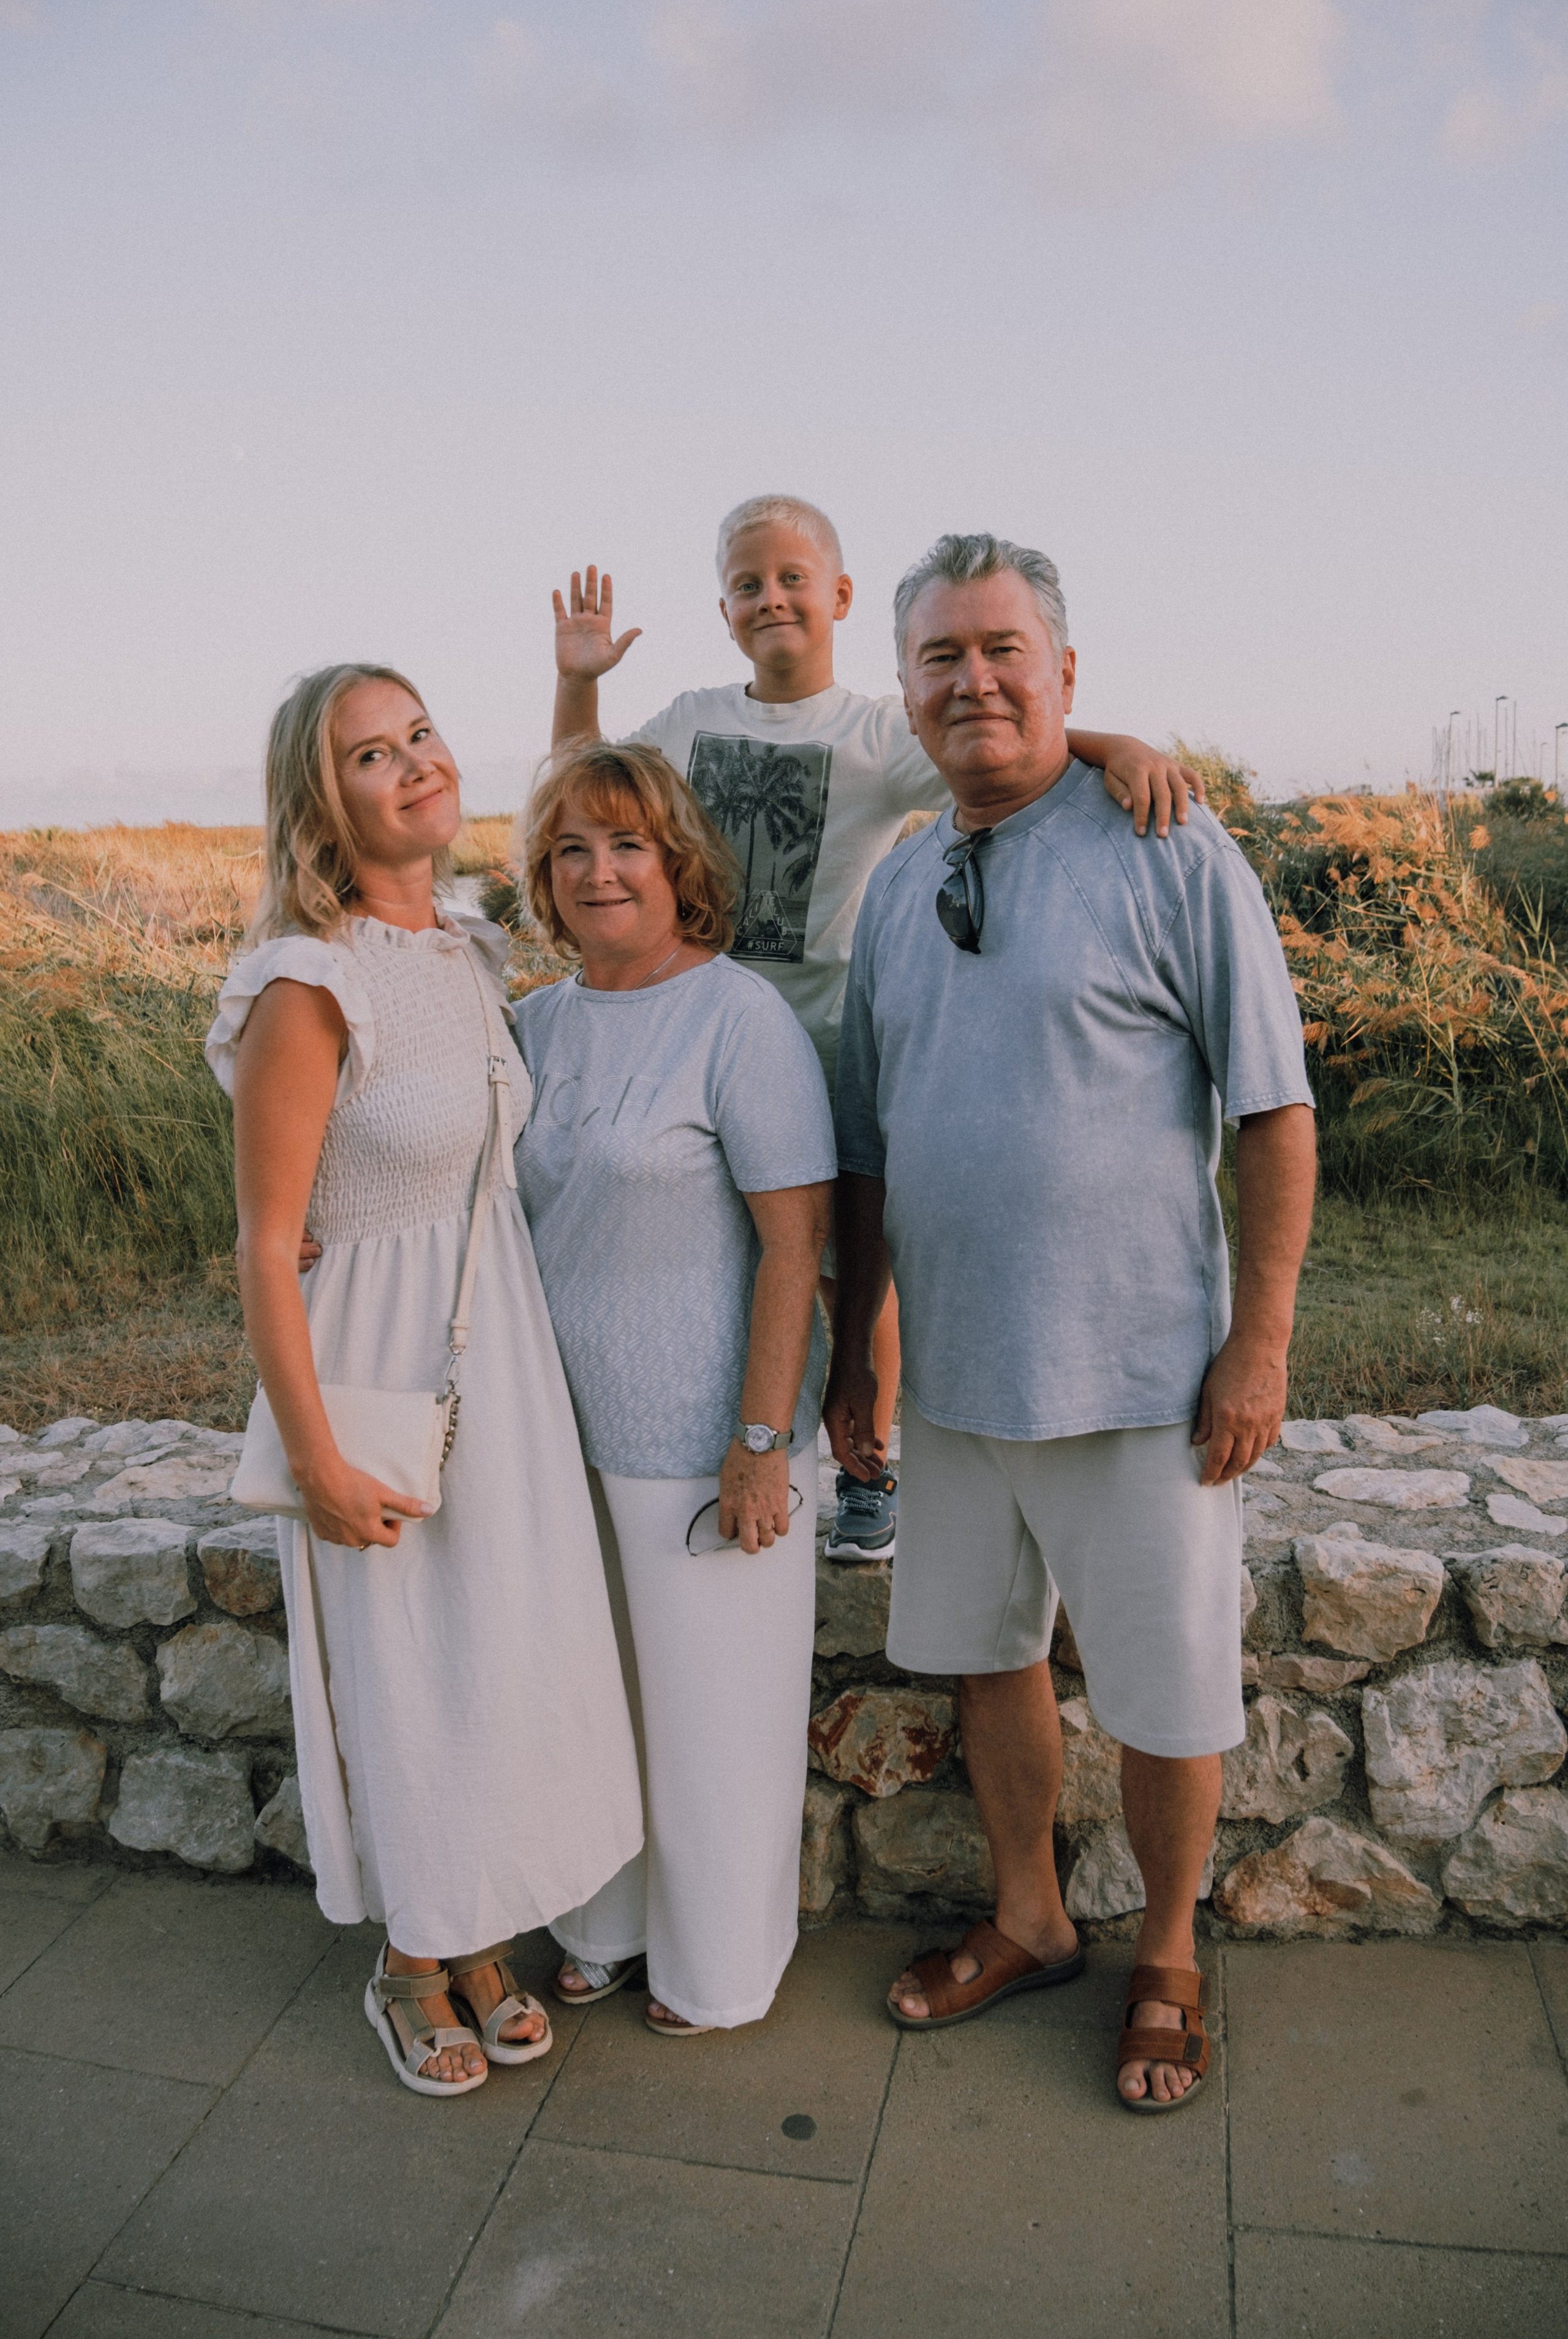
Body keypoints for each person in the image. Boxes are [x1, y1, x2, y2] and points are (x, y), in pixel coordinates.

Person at [824, 536, 1316, 2112]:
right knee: (987, 1660)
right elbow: (867, 1149)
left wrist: (1257, 1343)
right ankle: (1030, 1918)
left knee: (1167, 1685)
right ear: (903, 690)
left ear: (1065, 671)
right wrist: (857, 1353)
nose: (971, 680)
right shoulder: (902, 883)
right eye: (938, 658)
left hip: (1141, 1372)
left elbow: (1272, 1111)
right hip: (958, 1377)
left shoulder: (1167, 843)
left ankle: (1166, 1952)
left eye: (1000, 648)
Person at [549, 496, 1204, 1562]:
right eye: (749, 584)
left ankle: (868, 1470)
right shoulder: (690, 720)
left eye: (793, 579)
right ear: (724, 610)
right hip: (698, 1037)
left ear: (840, 597)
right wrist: (579, 683)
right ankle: (733, 1434)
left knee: (850, 1266)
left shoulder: (871, 734)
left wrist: (1109, 742)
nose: (773, 599)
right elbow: (585, 792)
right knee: (732, 1257)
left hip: (823, 1043)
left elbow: (988, 738)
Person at [208, 665, 643, 2098]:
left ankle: (471, 1929)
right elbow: (268, 1250)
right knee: (402, 1666)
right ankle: (409, 1960)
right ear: (322, 803)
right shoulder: (306, 980)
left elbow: (588, 821)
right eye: (368, 756)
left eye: (420, 736)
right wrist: (317, 1455)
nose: (411, 767)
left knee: (492, 1651)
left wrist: (575, 684)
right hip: (370, 1366)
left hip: (491, 1351)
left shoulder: (467, 947)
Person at [510, 739, 835, 2036]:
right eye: (571, 849)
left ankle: (715, 1969)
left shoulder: (737, 1016)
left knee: (714, 1728)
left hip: (707, 1439)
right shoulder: (531, 1022)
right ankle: (602, 1924)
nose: (600, 871)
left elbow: (795, 1245)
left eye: (627, 843)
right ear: (544, 876)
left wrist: (758, 1441)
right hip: (555, 1440)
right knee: (586, 1707)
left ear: (678, 861)